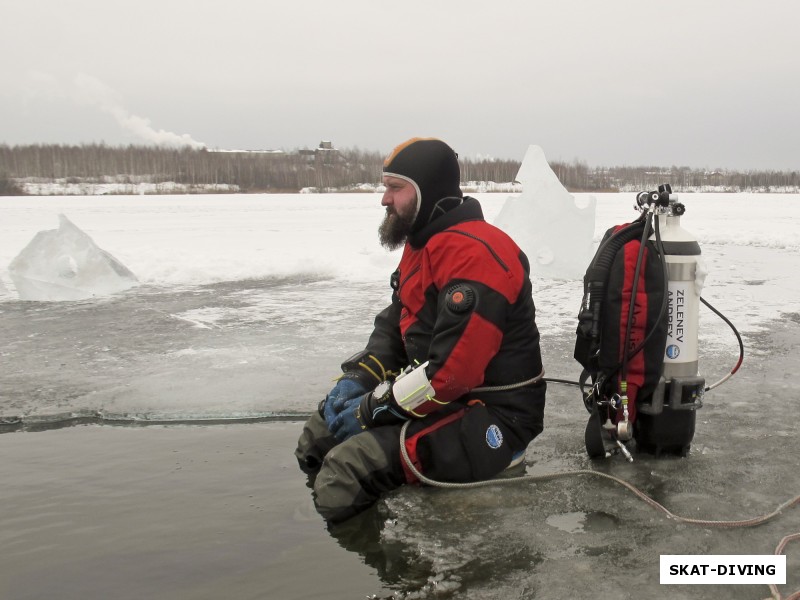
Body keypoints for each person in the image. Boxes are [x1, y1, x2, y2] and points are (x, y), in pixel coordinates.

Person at [295, 137, 546, 523]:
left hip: (492, 414)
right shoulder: (424, 243)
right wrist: (360, 379)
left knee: (344, 475)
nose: (384, 200)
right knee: (317, 437)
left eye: (395, 188)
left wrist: (372, 409)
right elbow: (398, 322)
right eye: (386, 187)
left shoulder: (476, 255)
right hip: (437, 400)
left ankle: (387, 566)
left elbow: (450, 375)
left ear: (427, 192)